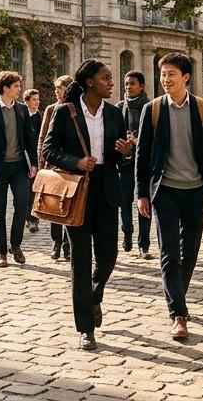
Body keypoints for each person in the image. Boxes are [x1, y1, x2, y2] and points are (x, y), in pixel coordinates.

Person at [42, 59, 134, 350]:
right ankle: (85, 328)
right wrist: (77, 162)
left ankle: (93, 297)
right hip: (76, 190)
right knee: (80, 260)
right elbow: (49, 150)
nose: (112, 82)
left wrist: (127, 152)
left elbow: (120, 157)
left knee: (108, 255)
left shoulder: (115, 113)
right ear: (90, 82)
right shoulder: (64, 112)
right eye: (106, 78)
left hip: (107, 189)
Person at [136, 52, 203, 341]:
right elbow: (142, 154)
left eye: (171, 74)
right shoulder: (154, 109)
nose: (165, 79)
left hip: (196, 191)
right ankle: (178, 314)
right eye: (163, 74)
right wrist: (142, 193)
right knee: (170, 253)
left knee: (190, 252)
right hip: (165, 191)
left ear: (186, 77)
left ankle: (177, 297)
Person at [0, 71, 37, 267]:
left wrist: (34, 163)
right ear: (5, 88)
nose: (19, 89)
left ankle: (16, 244)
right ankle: (1, 252)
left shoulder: (21, 110)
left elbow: (30, 139)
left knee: (23, 203)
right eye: (16, 86)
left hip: (19, 166)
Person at [38, 75, 75, 261]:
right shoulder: (51, 109)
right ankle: (56, 242)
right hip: (53, 164)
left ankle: (69, 245)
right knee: (53, 205)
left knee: (69, 205)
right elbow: (43, 137)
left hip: (70, 165)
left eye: (60, 88)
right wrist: (41, 164)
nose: (57, 92)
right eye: (56, 89)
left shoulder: (75, 109)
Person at [117, 70, 152, 259]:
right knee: (124, 202)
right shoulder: (119, 107)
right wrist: (124, 145)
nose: (128, 87)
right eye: (126, 84)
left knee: (145, 203)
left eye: (132, 84)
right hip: (125, 164)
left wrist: (139, 142)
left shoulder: (150, 107)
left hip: (145, 164)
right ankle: (127, 233)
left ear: (142, 86)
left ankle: (144, 243)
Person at [24, 89, 43, 235]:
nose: (37, 102)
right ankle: (25, 216)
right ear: (27, 101)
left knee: (33, 189)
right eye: (34, 99)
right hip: (21, 156)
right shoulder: (21, 114)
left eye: (38, 99)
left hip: (35, 156)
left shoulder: (39, 117)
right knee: (23, 190)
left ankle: (33, 219)